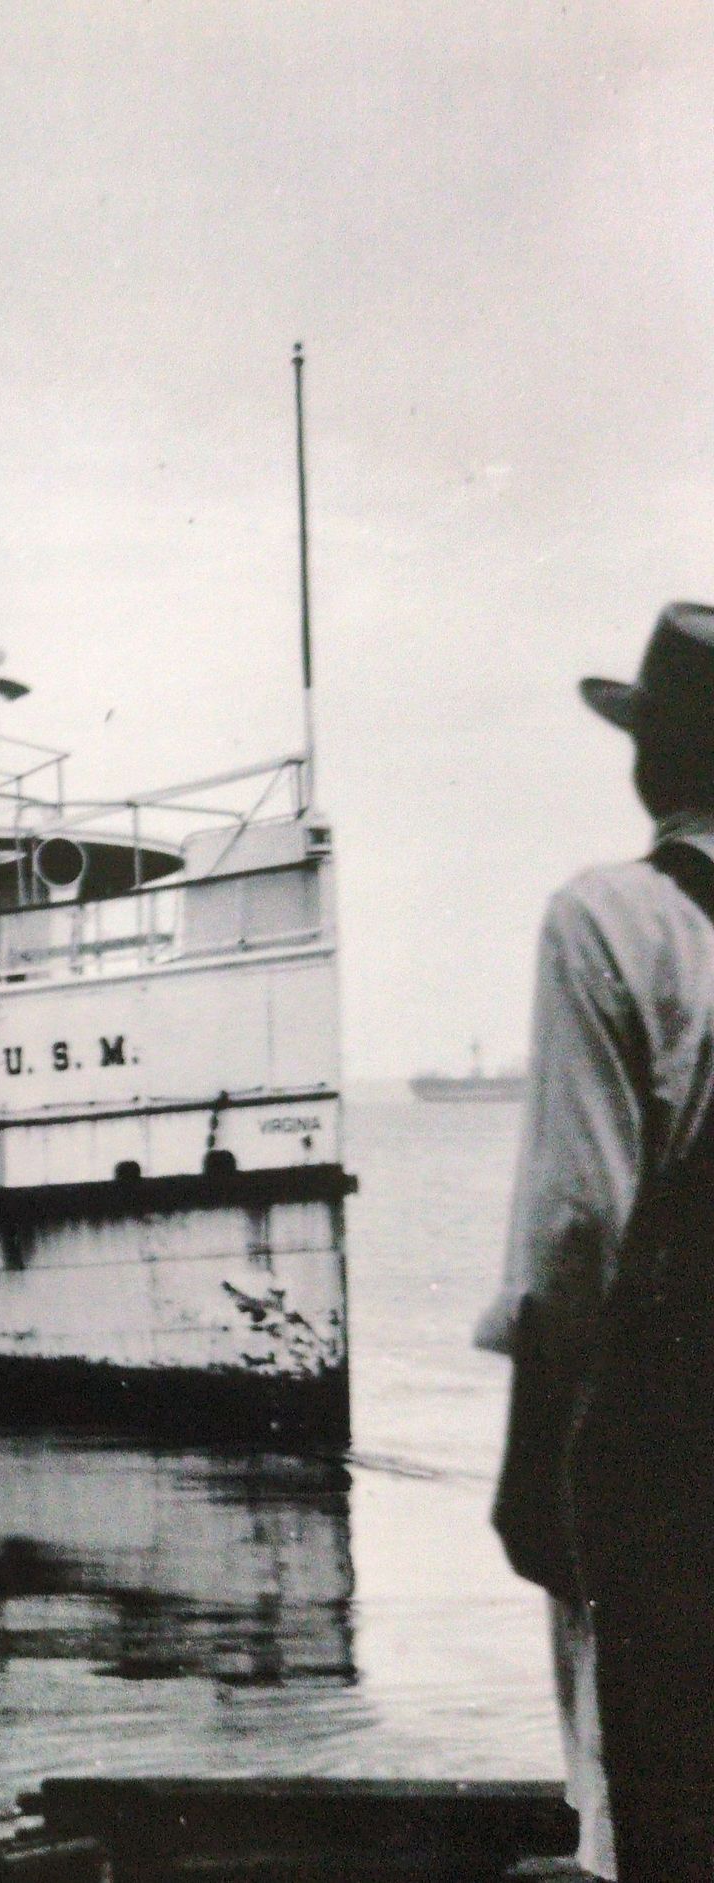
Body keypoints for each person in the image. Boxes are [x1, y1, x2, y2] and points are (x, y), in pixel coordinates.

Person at [483, 599, 714, 1881]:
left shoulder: (615, 919)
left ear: (658, 753)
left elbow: (577, 1228)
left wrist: (532, 1468)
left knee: (662, 1805)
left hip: (673, 1442)